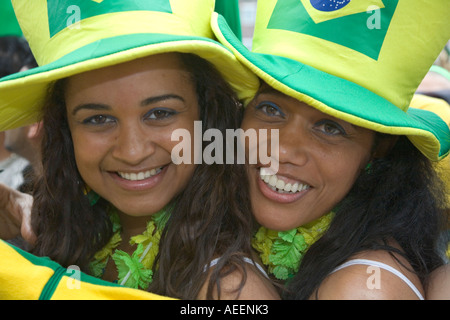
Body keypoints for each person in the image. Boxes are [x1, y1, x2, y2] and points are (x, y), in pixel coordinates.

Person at [0, 0, 278, 300]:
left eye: (160, 113)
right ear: (66, 131)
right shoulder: (61, 229)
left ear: (207, 118)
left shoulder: (230, 290)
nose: (132, 152)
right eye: (98, 119)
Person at [211, 0, 450, 299]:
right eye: (271, 109)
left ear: (380, 148)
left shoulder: (363, 288)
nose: (284, 151)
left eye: (329, 128)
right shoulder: (225, 228)